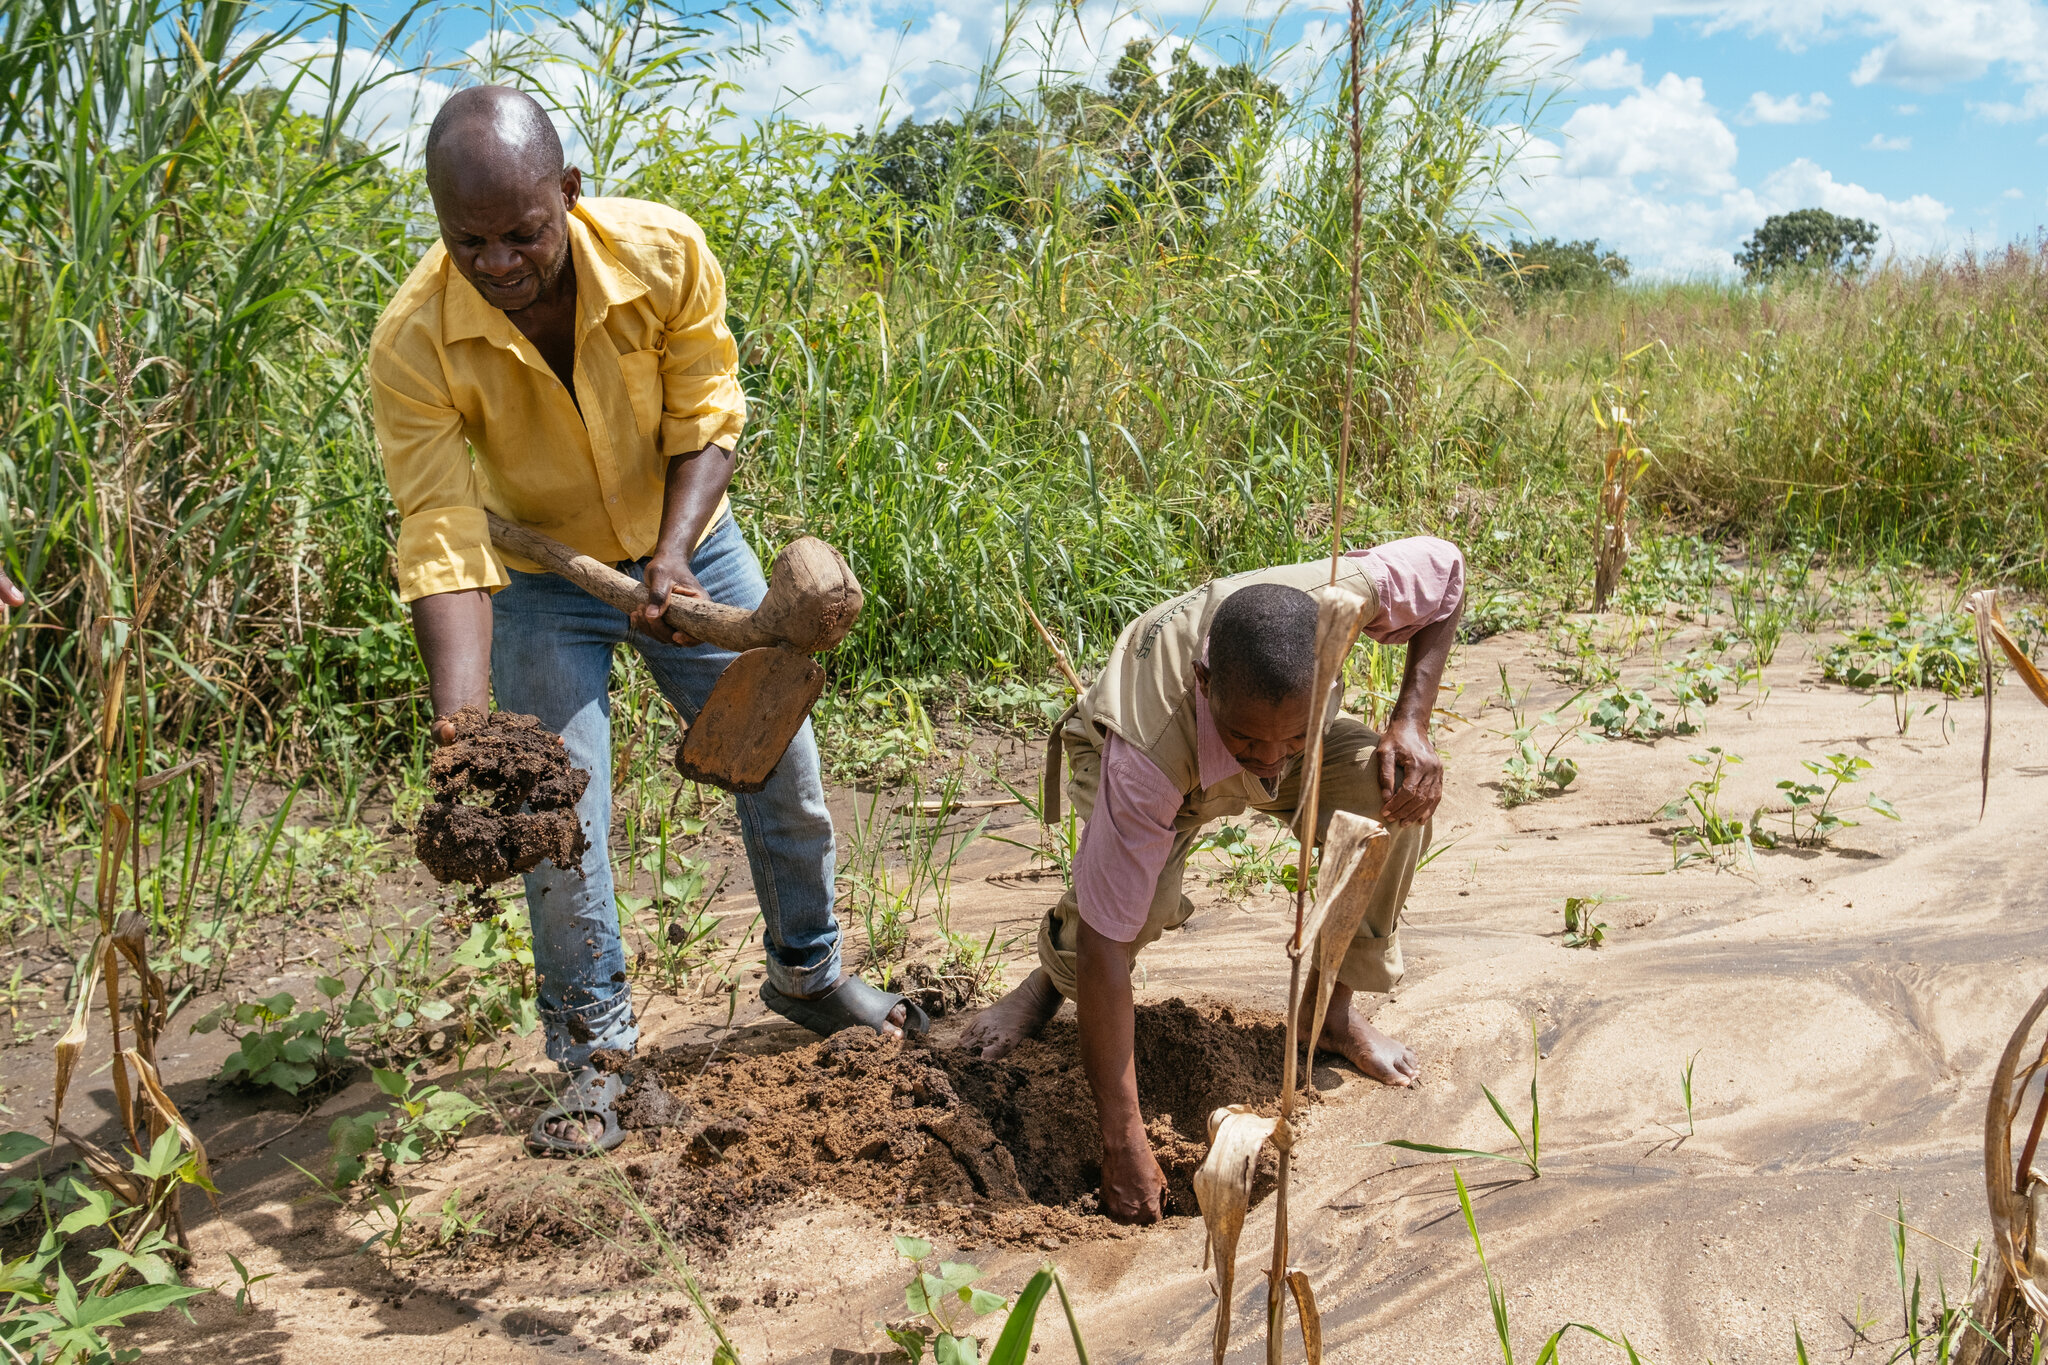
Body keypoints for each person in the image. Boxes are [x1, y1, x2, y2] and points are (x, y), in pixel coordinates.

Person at [369, 86, 920, 1157]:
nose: (496, 263)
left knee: (784, 771)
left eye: (522, 232)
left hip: (689, 543)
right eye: (466, 240)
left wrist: (672, 558)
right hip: (540, 576)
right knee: (557, 820)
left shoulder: (663, 252)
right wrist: (464, 727)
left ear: (567, 195)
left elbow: (707, 414)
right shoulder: (414, 339)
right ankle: (596, 1061)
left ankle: (808, 975)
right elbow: (441, 533)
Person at [959, 540, 1464, 1222]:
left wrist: (1410, 719)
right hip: (1145, 753)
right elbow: (1108, 946)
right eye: (1247, 743)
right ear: (1204, 681)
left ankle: (1332, 1010)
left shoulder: (1346, 596)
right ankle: (1045, 984)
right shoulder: (1146, 753)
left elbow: (1449, 572)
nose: (1269, 769)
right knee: (1131, 912)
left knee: (1391, 800)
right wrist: (1123, 1139)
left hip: (1256, 717)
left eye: (1290, 742)